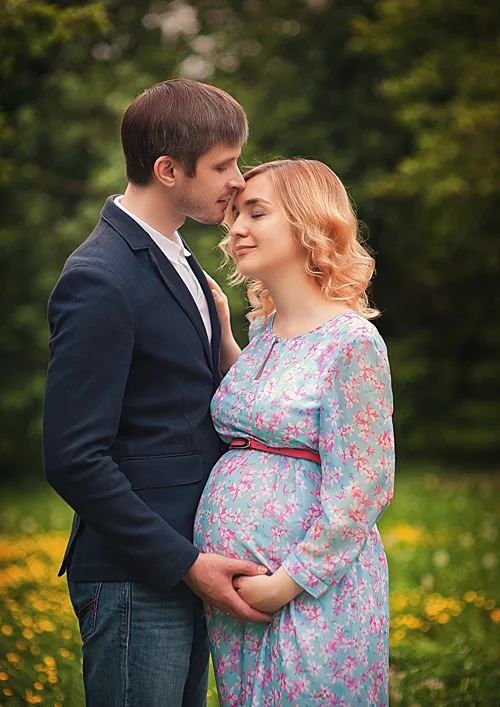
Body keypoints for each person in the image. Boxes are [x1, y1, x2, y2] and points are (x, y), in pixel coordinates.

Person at [42, 79, 272, 707]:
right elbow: (73, 457)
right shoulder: (100, 277)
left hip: (191, 565)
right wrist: (183, 562)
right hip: (138, 576)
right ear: (168, 169)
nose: (237, 179)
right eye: (223, 165)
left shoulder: (181, 260)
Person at [194, 158, 395, 706]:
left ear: (309, 222)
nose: (235, 228)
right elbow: (258, 405)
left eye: (255, 212)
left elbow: (364, 487)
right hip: (241, 601)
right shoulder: (264, 333)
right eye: (234, 214)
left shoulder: (351, 343)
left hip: (308, 593)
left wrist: (285, 584)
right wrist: (218, 324)